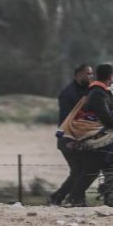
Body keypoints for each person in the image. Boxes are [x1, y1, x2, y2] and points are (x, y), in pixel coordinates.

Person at [62, 64, 113, 206]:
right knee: (91, 171)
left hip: (101, 140)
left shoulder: (100, 92)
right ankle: (74, 198)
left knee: (108, 170)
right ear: (111, 77)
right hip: (96, 140)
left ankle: (109, 200)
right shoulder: (98, 93)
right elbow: (105, 117)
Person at [50, 63, 92, 206]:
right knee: (80, 171)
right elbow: (66, 119)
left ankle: (67, 198)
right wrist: (70, 139)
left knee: (80, 171)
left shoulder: (87, 91)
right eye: (88, 73)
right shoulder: (68, 94)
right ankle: (63, 198)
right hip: (69, 138)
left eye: (91, 74)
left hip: (79, 138)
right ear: (79, 74)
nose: (90, 76)